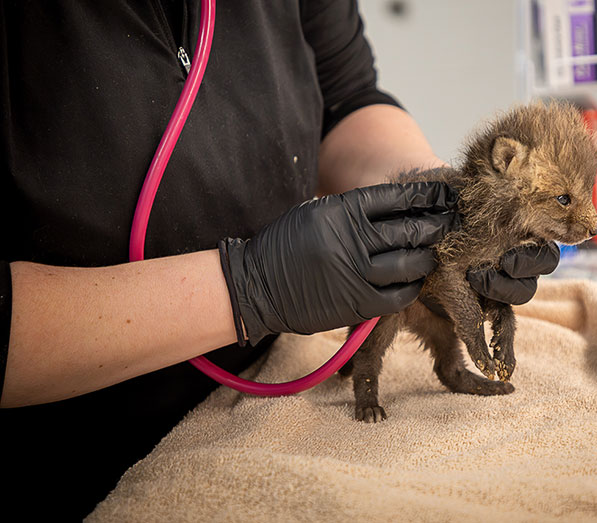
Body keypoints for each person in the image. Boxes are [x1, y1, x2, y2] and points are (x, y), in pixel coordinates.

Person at [0, 1, 560, 519]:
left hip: (265, 385)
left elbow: (347, 100)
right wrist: (245, 288)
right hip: (71, 457)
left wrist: (430, 194)